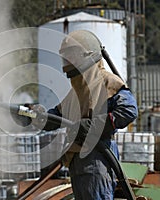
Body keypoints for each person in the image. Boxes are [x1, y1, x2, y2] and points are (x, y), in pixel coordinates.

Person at [31, 30, 138, 200]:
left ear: (86, 55)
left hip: (98, 158)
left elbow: (128, 111)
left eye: (70, 56)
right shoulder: (75, 92)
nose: (66, 61)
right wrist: (36, 116)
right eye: (65, 57)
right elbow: (56, 117)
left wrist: (93, 126)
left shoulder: (108, 82)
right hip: (77, 161)